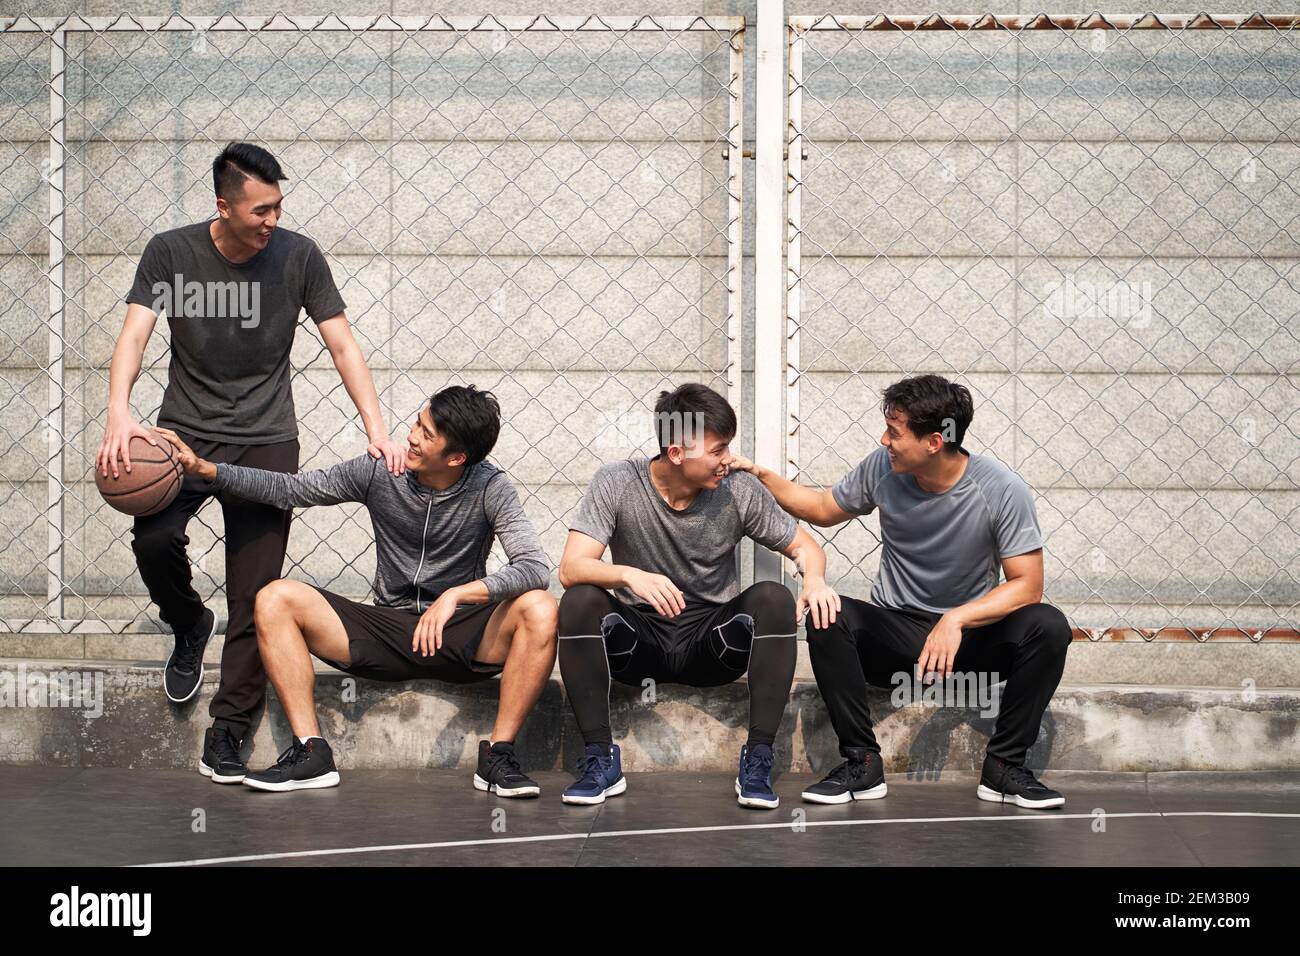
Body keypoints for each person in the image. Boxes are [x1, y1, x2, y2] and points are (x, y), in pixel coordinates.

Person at [96, 142, 407, 784]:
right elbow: (134, 333)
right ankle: (186, 621)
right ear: (224, 206)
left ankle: (230, 730)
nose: (272, 219)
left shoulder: (298, 256)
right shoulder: (171, 252)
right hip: (182, 434)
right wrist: (118, 413)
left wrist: (375, 427)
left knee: (256, 591)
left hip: (267, 439)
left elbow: (342, 343)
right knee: (154, 540)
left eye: (278, 207)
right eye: (261, 209)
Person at [156, 385, 557, 796]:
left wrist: (457, 596)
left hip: (461, 635)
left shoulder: (492, 488)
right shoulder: (383, 471)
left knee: (539, 607)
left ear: (456, 458)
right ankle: (311, 752)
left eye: (427, 433)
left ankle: (497, 755)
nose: (412, 436)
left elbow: (533, 567)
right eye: (417, 422)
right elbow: (295, 489)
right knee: (275, 597)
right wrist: (210, 471)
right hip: (389, 631)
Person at [729, 374, 1072, 810]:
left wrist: (957, 618)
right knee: (826, 613)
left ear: (933, 441)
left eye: (894, 431)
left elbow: (1028, 585)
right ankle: (861, 763)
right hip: (899, 636)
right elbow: (820, 508)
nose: (884, 439)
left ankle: (1004, 769)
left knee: (1048, 625)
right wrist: (760, 474)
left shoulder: (1001, 489)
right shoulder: (883, 468)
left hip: (968, 641)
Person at [557, 383, 839, 810]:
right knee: (578, 601)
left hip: (712, 644)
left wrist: (814, 579)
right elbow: (571, 568)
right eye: (718, 450)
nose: (728, 460)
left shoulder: (738, 489)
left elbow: (805, 546)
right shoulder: (617, 481)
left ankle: (759, 756)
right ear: (676, 453)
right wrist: (630, 576)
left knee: (774, 598)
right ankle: (600, 757)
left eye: (728, 447)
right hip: (639, 641)